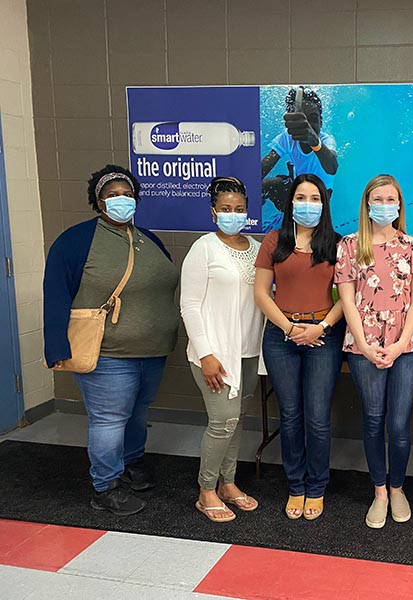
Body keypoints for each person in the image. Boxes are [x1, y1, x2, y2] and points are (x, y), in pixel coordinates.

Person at [43, 165, 179, 516]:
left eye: (127, 194)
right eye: (113, 194)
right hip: (107, 354)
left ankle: (132, 463)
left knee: (137, 413)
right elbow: (56, 294)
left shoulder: (149, 239)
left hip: (151, 350)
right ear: (98, 201)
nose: (122, 200)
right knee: (108, 420)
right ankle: (106, 485)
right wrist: (56, 346)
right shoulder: (75, 242)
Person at [335, 174, 413, 529]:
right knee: (373, 420)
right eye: (378, 198)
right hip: (364, 346)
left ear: (400, 205)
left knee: (400, 424)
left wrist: (401, 343)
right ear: (366, 203)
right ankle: (379, 492)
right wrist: (365, 344)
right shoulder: (349, 245)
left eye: (391, 199)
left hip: (405, 345)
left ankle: (398, 486)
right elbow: (346, 301)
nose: (384, 205)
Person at [255, 173, 345, 521]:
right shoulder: (274, 241)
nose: (307, 205)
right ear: (290, 202)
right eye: (301, 198)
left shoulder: (337, 245)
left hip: (324, 335)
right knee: (290, 416)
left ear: (324, 204)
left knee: (318, 417)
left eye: (314, 199)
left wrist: (319, 327)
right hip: (281, 336)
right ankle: (295, 485)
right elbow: (261, 293)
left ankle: (316, 486)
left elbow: (347, 298)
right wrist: (290, 327)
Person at [181, 176, 262, 523]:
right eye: (226, 209)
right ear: (214, 212)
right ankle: (206, 491)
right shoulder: (204, 248)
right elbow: (189, 305)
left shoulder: (258, 249)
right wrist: (206, 354)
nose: (233, 214)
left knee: (237, 419)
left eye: (239, 209)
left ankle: (228, 483)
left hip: (248, 353)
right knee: (222, 421)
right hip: (215, 354)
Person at [261, 87, 338, 231]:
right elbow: (261, 169)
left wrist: (313, 140)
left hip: (321, 194)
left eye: (313, 119)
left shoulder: (326, 140)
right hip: (297, 189)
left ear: (321, 122)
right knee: (262, 185)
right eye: (302, 119)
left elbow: (332, 167)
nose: (307, 125)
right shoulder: (287, 137)